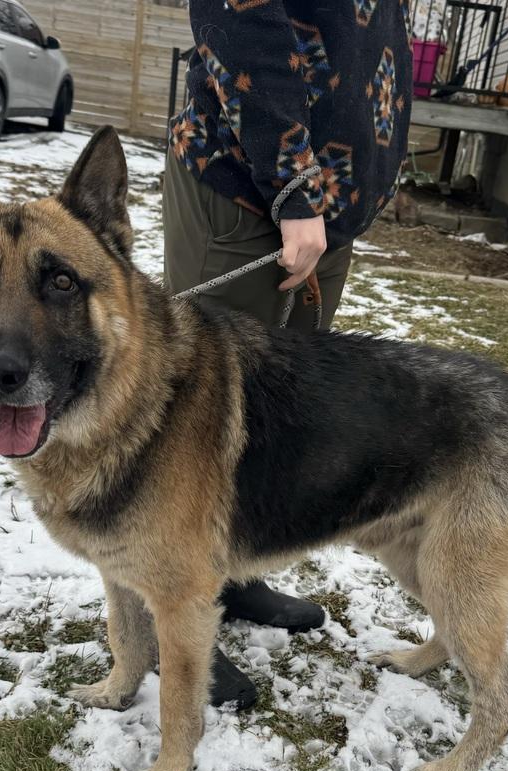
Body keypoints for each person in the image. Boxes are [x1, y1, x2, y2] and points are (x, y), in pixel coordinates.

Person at [163, 0, 413, 708]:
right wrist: (295, 182)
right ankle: (167, 616)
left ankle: (233, 578)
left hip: (321, 211)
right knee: (193, 427)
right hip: (254, 191)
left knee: (273, 415)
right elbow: (238, 15)